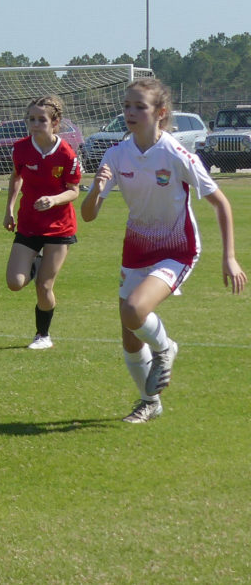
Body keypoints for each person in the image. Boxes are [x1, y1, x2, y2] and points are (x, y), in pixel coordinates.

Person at [81, 78, 246, 423]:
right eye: (127, 105)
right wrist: (95, 191)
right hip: (136, 248)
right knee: (129, 335)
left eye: (139, 106)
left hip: (177, 248)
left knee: (134, 310)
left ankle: (164, 348)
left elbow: (220, 203)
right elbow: (89, 215)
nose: (130, 112)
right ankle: (149, 402)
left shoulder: (175, 153)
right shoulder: (116, 154)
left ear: (160, 113)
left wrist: (229, 256)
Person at [2, 96, 81, 349]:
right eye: (31, 119)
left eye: (41, 120)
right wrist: (9, 210)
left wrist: (54, 199)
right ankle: (34, 264)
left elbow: (74, 190)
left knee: (44, 286)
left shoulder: (67, 153)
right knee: (15, 283)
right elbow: (16, 178)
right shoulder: (21, 148)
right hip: (29, 223)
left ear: (55, 122)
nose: (35, 124)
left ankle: (43, 336)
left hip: (59, 227)